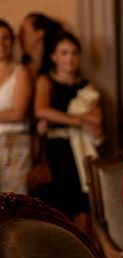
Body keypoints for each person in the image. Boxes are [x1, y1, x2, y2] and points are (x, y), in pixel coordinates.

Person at [33, 30, 103, 235]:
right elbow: (40, 110)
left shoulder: (87, 85)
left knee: (84, 210)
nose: (70, 58)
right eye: (64, 53)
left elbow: (98, 120)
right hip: (56, 152)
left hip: (80, 152)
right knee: (56, 212)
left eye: (74, 53)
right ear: (54, 57)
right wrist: (80, 120)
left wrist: (58, 119)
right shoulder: (46, 81)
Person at [0, 20, 32, 194]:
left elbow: (18, 113)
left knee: (13, 205)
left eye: (5, 38)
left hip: (14, 147)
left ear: (12, 42)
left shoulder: (20, 72)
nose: (1, 43)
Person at [18, 12, 62, 79]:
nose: (19, 35)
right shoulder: (19, 69)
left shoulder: (58, 67)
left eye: (23, 31)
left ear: (40, 33)